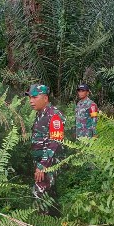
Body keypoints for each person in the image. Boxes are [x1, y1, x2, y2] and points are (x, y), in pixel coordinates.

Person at [25, 84, 65, 216]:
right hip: (41, 163)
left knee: (39, 193)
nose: (31, 101)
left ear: (45, 98)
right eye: (30, 97)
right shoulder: (40, 114)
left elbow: (55, 141)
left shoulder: (54, 115)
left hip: (49, 163)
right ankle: (56, 222)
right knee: (50, 194)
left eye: (35, 97)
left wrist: (43, 165)